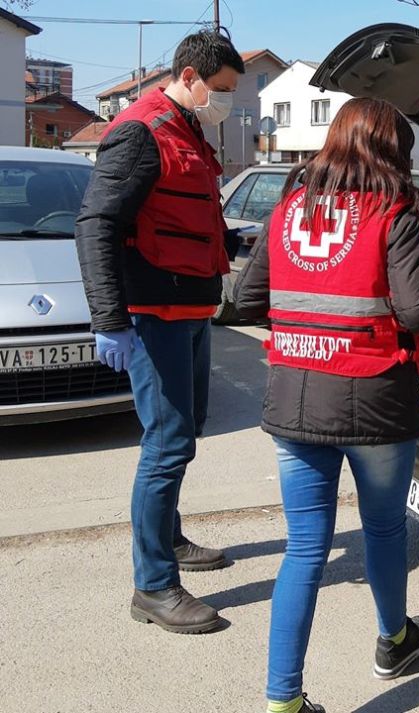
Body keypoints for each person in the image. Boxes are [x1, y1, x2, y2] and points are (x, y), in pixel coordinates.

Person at [234, 97, 419, 713]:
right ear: (389, 149)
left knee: (304, 549)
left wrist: (308, 317)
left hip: (294, 397)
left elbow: (248, 296)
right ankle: (394, 640)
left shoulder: (288, 207)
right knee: (384, 528)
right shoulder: (392, 208)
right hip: (373, 402)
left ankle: (282, 701)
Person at [75, 30, 246, 634]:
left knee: (186, 428)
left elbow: (184, 213)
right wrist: (109, 320)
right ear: (192, 76)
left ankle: (169, 540)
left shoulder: (187, 128)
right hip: (153, 316)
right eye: (222, 89)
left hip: (191, 309)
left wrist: (230, 242)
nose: (227, 101)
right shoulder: (140, 131)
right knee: (167, 442)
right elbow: (95, 223)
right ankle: (152, 586)